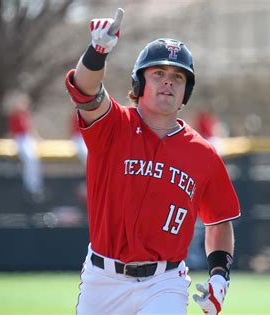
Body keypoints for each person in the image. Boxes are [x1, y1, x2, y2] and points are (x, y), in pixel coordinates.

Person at [64, 8, 240, 315]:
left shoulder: (203, 153)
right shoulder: (114, 125)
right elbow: (84, 89)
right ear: (139, 83)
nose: (168, 82)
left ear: (187, 90)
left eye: (178, 76)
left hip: (165, 281)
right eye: (158, 73)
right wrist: (97, 51)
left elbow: (219, 221)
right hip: (102, 281)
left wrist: (219, 276)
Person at [7, 94, 44, 202]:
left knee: (34, 158)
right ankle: (29, 187)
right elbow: (13, 132)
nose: (23, 106)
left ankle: (36, 185)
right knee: (29, 157)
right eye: (21, 103)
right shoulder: (14, 115)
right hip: (19, 139)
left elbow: (30, 129)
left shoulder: (25, 114)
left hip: (27, 138)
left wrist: (37, 138)